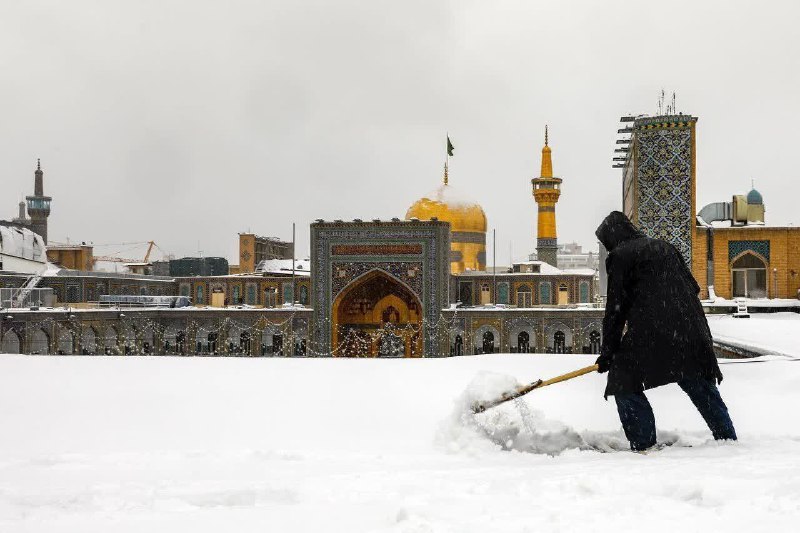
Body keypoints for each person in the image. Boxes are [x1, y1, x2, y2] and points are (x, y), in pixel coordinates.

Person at [594, 211, 737, 451]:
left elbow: (616, 309)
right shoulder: (665, 247)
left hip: (654, 332)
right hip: (693, 328)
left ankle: (644, 444)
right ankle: (728, 440)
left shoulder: (620, 256)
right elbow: (693, 286)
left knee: (623, 380)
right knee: (696, 379)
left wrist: (608, 353)